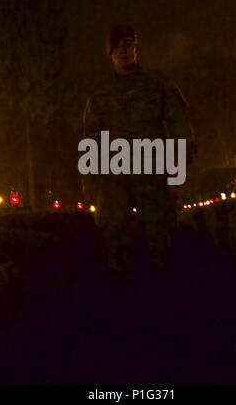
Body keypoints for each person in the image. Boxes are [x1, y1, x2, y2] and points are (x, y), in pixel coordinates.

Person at [82, 24, 196, 275]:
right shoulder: (100, 93)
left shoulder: (158, 84)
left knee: (160, 237)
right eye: (117, 46)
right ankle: (123, 297)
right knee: (115, 237)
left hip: (152, 173)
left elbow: (178, 120)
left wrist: (180, 159)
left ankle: (163, 295)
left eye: (128, 43)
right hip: (115, 177)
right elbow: (91, 137)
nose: (123, 50)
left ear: (137, 48)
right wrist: (89, 179)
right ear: (110, 53)